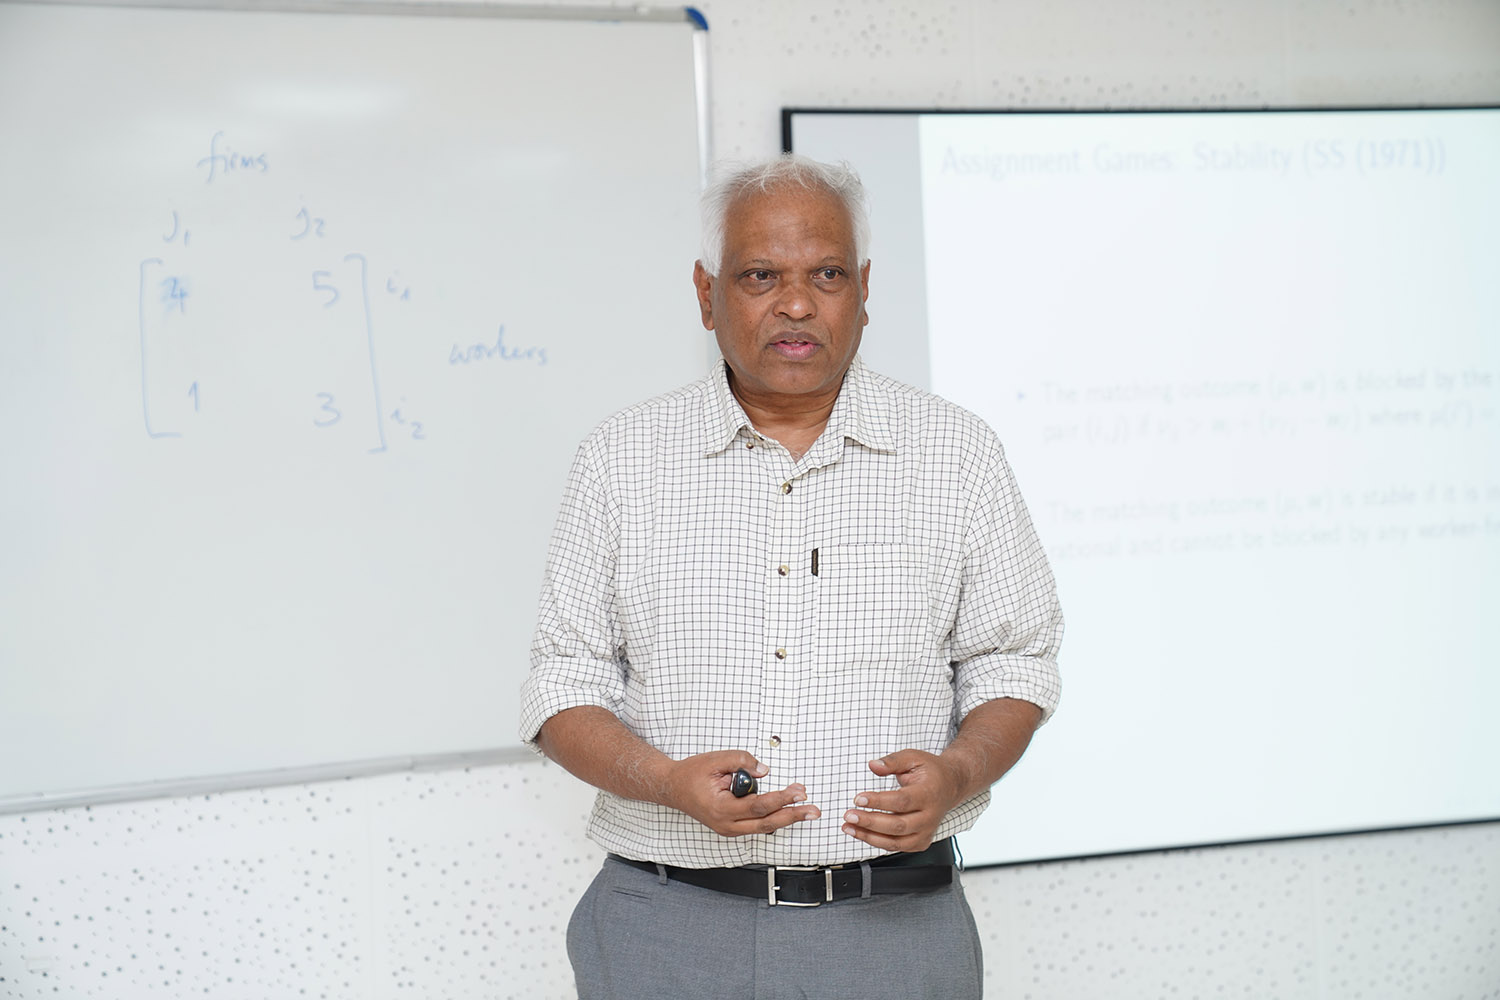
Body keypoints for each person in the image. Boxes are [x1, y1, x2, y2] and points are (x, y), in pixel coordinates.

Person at [519, 154, 1062, 999]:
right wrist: (665, 782)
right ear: (706, 294)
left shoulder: (958, 455)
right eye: (761, 275)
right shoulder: (621, 460)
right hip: (666, 927)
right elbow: (562, 685)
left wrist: (958, 772)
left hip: (894, 932)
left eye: (828, 274)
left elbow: (1014, 662)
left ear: (866, 288)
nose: (797, 304)